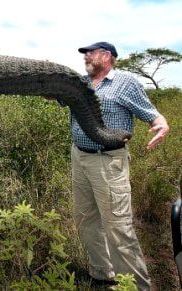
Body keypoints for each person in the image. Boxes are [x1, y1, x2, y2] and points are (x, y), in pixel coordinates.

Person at [71, 42, 169, 290]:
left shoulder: (125, 82)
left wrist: (162, 124)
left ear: (106, 56)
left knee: (118, 227)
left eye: (90, 53)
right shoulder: (80, 83)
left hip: (108, 162)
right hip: (79, 158)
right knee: (85, 220)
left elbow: (151, 113)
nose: (86, 57)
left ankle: (137, 286)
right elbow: (58, 97)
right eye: (85, 54)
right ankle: (102, 274)